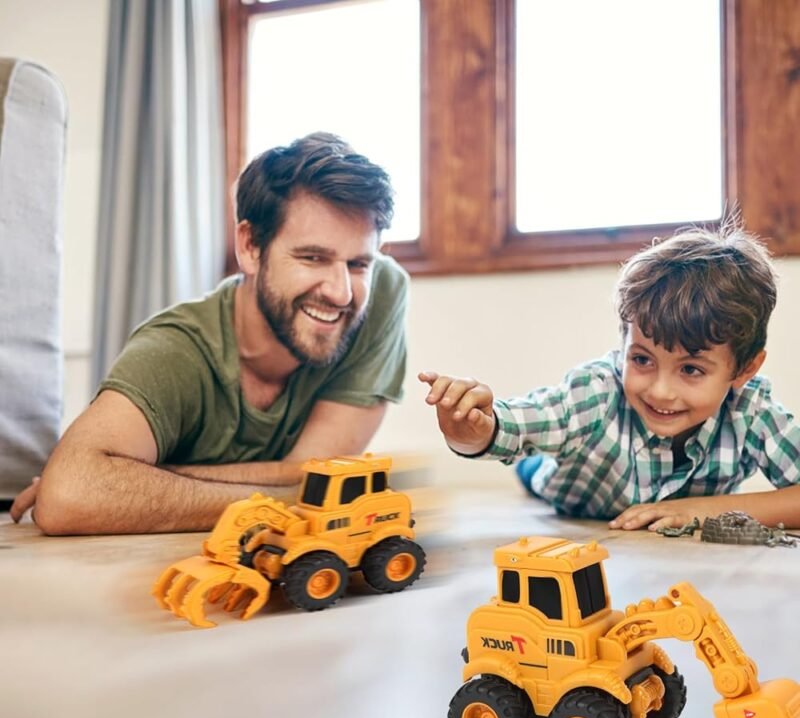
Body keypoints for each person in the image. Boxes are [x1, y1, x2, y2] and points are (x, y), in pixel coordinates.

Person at [12, 132, 408, 534]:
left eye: (358, 264)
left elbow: (315, 472)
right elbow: (69, 496)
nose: (341, 292)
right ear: (250, 246)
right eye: (312, 257)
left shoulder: (380, 294)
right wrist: (291, 499)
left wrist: (142, 476)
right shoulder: (174, 351)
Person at [420, 223, 800, 531]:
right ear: (623, 346)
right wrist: (472, 432)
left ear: (745, 368)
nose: (660, 390)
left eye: (691, 369)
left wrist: (701, 510)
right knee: (534, 463)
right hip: (566, 485)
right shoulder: (598, 393)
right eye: (642, 360)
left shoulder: (750, 411)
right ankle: (532, 468)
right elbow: (517, 422)